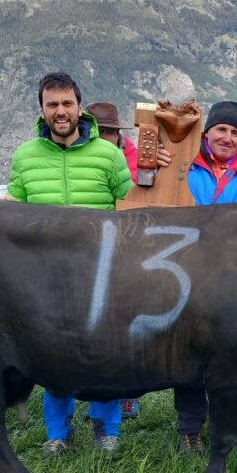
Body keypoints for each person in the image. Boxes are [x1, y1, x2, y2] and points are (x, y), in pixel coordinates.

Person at [8, 73, 132, 456]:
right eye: (52, 105)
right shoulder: (25, 156)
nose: (60, 112)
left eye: (66, 104)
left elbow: (131, 209)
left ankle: (106, 428)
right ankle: (58, 433)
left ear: (79, 106)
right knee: (52, 356)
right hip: (45, 277)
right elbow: (11, 214)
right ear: (42, 110)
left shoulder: (109, 156)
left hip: (101, 272)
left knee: (105, 353)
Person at [173, 100, 237, 454]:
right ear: (206, 133)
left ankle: (227, 424)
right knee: (189, 355)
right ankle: (190, 427)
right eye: (221, 129)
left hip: (234, 278)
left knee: (233, 358)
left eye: (235, 132)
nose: (228, 137)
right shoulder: (183, 168)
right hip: (187, 271)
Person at [86, 101, 143, 420]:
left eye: (110, 131)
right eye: (101, 131)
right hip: (95, 249)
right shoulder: (92, 158)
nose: (106, 137)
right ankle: (99, 396)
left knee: (127, 328)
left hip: (126, 251)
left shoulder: (134, 157)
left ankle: (128, 394)